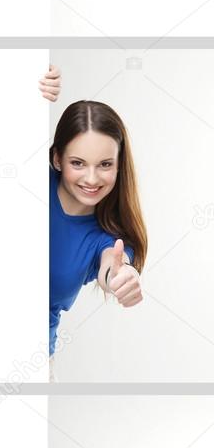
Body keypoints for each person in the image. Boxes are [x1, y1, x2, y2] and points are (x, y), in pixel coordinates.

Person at [43, 70, 146, 369]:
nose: (91, 178)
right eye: (78, 163)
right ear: (57, 159)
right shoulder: (28, 181)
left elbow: (112, 265)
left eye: (104, 164)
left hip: (32, 363)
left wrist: (122, 277)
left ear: (118, 165)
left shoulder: (108, 238)